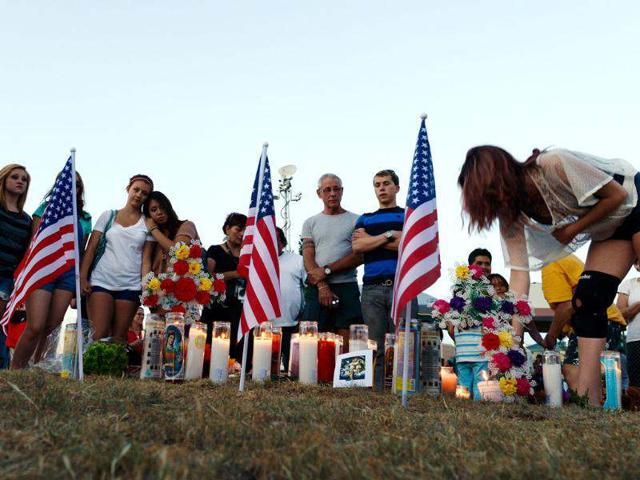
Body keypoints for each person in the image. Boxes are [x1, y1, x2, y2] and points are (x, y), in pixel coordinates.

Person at [459, 146, 639, 405]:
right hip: (610, 229)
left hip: (633, 200)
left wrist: (572, 229)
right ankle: (591, 398)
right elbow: (519, 276)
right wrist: (513, 338)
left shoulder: (553, 165)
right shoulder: (511, 216)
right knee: (586, 300)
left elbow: (616, 195)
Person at [11, 172, 92, 369]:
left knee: (51, 326)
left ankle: (38, 367)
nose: (73, 187)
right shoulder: (45, 209)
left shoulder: (85, 218)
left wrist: (80, 281)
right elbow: (34, 243)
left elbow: (81, 251)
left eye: (78, 185)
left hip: (67, 274)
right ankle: (15, 370)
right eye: (69, 183)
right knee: (35, 325)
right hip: (43, 268)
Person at [80, 174, 155, 343]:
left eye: (144, 193)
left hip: (131, 285)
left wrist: (146, 286)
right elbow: (91, 248)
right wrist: (83, 277)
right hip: (101, 281)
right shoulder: (108, 216)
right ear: (128, 189)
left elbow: (146, 260)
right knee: (99, 335)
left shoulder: (147, 223)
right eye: (136, 190)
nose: (138, 195)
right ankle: (93, 370)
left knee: (119, 338)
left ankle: (112, 371)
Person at [542, 254, 626, 392]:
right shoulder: (565, 257)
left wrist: (551, 336)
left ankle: (589, 404)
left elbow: (566, 306)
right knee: (593, 369)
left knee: (572, 369)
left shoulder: (551, 263)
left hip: (595, 319)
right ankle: (597, 403)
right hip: (606, 319)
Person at [352, 169, 403, 389]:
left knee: (402, 346)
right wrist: (390, 235)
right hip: (372, 289)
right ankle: (377, 391)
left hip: (402, 288)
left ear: (396, 187)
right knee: (375, 345)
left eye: (386, 183)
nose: (381, 188)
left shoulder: (408, 215)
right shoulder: (365, 218)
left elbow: (407, 245)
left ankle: (401, 390)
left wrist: (372, 240)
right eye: (377, 184)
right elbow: (357, 246)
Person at [301, 174, 362, 347]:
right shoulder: (310, 223)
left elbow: (359, 255)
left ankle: (342, 374)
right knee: (313, 339)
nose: (332, 193)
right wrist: (322, 285)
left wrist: (327, 270)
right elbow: (308, 255)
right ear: (319, 193)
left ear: (342, 191)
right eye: (327, 190)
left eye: (336, 189)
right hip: (317, 287)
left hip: (347, 286)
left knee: (347, 342)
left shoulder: (357, 220)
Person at [203, 213, 248, 365]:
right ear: (227, 229)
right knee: (212, 354)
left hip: (240, 312)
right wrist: (235, 274)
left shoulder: (249, 255)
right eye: (238, 229)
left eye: (246, 230)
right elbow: (208, 278)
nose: (242, 234)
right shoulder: (215, 250)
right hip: (217, 310)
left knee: (238, 357)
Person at [0, 164, 32, 369]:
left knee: (3, 326)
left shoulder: (26, 220)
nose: (20, 181)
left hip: (8, 279)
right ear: (4, 180)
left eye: (24, 179)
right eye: (15, 177)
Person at [143, 191, 199, 273]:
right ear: (149, 216)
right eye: (154, 210)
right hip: (159, 285)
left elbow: (178, 250)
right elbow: (146, 264)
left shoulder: (187, 225)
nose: (159, 212)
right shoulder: (152, 239)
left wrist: (153, 229)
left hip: (186, 284)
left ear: (168, 207)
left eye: (162, 207)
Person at [274, 227, 305, 373]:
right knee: (267, 368)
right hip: (264, 325)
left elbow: (308, 287)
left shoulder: (297, 260)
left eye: (276, 239)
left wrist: (303, 314)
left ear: (283, 243)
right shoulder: (256, 262)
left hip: (291, 322)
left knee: (292, 369)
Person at [616, 260, 640, 388]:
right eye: (636, 262)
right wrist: (637, 306)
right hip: (636, 339)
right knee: (636, 380)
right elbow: (619, 313)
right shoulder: (628, 284)